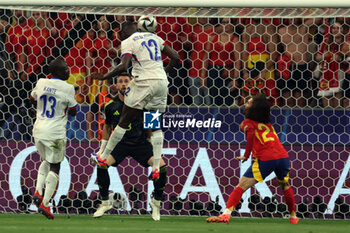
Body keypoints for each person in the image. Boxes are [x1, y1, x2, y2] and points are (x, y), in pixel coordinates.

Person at [90, 20, 179, 181]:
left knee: (124, 119)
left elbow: (124, 66)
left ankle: (103, 156)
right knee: (156, 126)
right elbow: (176, 56)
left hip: (144, 83)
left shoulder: (128, 41)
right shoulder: (156, 38)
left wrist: (104, 77)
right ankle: (157, 167)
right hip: (161, 83)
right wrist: (164, 72)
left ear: (123, 33)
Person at [206, 94, 298, 224]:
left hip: (266, 158)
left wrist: (247, 155)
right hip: (283, 156)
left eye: (248, 103)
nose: (245, 104)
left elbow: (250, 137)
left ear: (254, 109)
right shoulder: (268, 124)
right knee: (285, 185)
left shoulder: (246, 123)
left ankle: (225, 215)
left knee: (241, 186)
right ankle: (293, 216)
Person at [93, 73, 167, 221]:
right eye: (120, 81)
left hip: (140, 144)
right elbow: (107, 127)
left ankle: (156, 203)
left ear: (132, 84)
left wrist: (153, 146)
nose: (123, 84)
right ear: (116, 86)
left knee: (162, 166)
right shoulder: (110, 105)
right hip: (120, 144)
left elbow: (151, 128)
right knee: (102, 165)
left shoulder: (145, 104)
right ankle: (105, 202)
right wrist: (102, 150)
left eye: (126, 81)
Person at [30, 58, 77, 219]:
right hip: (55, 133)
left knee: (45, 160)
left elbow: (32, 98)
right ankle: (45, 203)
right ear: (57, 72)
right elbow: (73, 111)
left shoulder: (41, 82)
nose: (68, 71)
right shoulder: (68, 88)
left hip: (38, 130)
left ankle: (37, 191)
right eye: (65, 69)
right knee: (55, 166)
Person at [86, 73, 121, 142]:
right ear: (107, 83)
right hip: (103, 139)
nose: (113, 85)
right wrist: (91, 137)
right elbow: (90, 114)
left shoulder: (125, 97)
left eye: (115, 82)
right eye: (111, 82)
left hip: (120, 140)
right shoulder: (100, 96)